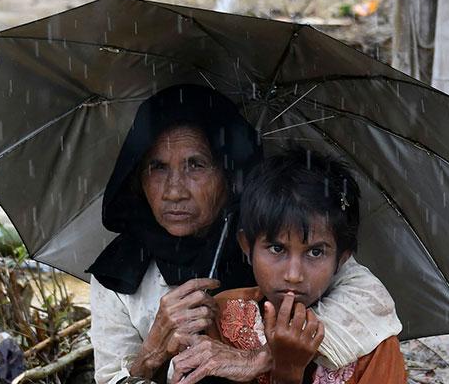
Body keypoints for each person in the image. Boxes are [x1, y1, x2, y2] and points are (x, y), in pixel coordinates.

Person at [88, 85, 402, 384]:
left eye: (195, 165)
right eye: (157, 167)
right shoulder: (120, 272)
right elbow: (111, 375)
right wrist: (153, 351)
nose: (173, 191)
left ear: (228, 173)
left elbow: (369, 301)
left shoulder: (273, 231)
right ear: (137, 176)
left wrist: (262, 358)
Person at [175, 148, 406, 384]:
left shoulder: (371, 345)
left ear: (342, 258)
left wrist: (287, 372)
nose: (294, 275)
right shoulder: (225, 316)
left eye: (315, 252)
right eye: (277, 249)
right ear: (247, 246)